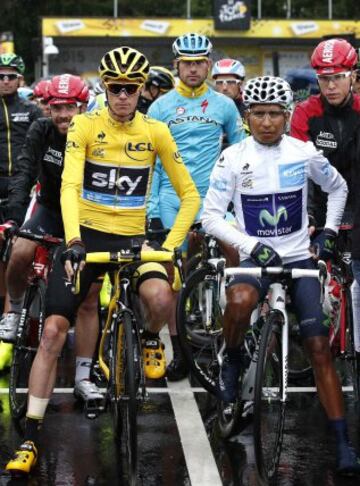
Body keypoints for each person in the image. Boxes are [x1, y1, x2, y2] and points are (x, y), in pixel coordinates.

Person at [5, 46, 200, 475]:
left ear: (140, 90)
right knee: (55, 330)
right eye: (116, 88)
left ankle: (148, 337)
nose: (124, 96)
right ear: (105, 88)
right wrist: (73, 239)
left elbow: (190, 194)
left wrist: (170, 243)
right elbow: (70, 186)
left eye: (131, 89)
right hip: (87, 237)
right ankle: (31, 436)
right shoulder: (85, 126)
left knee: (162, 297)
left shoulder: (156, 132)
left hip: (133, 239)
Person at [202, 75, 360, 475]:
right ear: (247, 116)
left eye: (275, 114)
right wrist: (251, 246)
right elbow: (210, 217)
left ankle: (343, 443)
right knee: (238, 302)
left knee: (319, 348)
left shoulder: (303, 153)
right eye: (258, 114)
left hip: (297, 258)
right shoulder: (233, 157)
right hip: (255, 257)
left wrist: (326, 232)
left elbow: (338, 189)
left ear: (287, 116)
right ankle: (233, 358)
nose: (267, 122)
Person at [0, 73, 104, 403]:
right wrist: (14, 216)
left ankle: (84, 376)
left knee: (88, 297)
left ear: (83, 107)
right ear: (48, 108)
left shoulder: (96, 131)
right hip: (50, 209)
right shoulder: (40, 130)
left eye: (70, 107)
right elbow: (25, 171)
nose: (63, 115)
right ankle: (14, 312)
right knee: (19, 251)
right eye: (57, 107)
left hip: (86, 215)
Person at [147, 33, 245, 381]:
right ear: (177, 65)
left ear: (208, 64)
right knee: (174, 275)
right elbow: (152, 165)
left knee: (237, 255)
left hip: (214, 198)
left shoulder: (225, 105)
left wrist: (239, 197)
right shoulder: (159, 108)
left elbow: (241, 153)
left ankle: (238, 339)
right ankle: (180, 352)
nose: (192, 69)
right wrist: (153, 211)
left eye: (199, 62)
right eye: (186, 63)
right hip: (174, 199)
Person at [0, 52, 42, 370]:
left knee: (17, 252)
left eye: (10, 76)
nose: (4, 81)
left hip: (24, 189)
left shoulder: (32, 111)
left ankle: (14, 320)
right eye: (0, 76)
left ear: (20, 80)